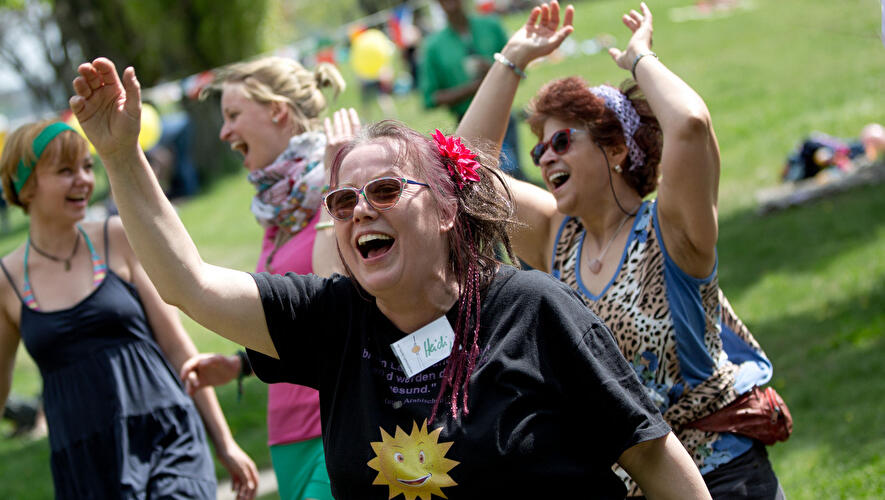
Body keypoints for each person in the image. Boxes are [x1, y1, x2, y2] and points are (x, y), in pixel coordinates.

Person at [69, 55, 712, 499]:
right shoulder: (332, 320)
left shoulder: (534, 310)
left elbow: (651, 456)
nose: (358, 211)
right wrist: (122, 157)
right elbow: (189, 284)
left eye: (382, 189)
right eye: (342, 202)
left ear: (443, 209)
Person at [456, 2, 783, 498]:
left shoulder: (670, 229)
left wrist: (638, 60)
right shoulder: (556, 239)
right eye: (540, 149)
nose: (546, 158)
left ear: (616, 149)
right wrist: (513, 59)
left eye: (562, 140)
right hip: (632, 487)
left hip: (724, 477)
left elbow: (691, 123)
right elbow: (464, 177)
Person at [0, 120, 258, 500]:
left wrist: (224, 442)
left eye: (86, 167)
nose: (83, 180)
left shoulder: (118, 237)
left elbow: (176, 345)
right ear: (26, 185)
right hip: (85, 460)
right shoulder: (2, 282)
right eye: (65, 171)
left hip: (166, 434)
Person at [179, 56, 348, 500]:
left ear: (277, 111)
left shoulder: (344, 188)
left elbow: (351, 308)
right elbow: (300, 318)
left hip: (336, 420)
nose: (223, 132)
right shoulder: (277, 211)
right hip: (286, 435)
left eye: (233, 115)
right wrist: (241, 364)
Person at [419, 0, 525, 180]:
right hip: (469, 122)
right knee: (497, 178)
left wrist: (495, 70)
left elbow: (519, 69)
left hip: (503, 113)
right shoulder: (433, 46)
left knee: (512, 173)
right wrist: (472, 89)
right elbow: (430, 98)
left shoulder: (491, 25)